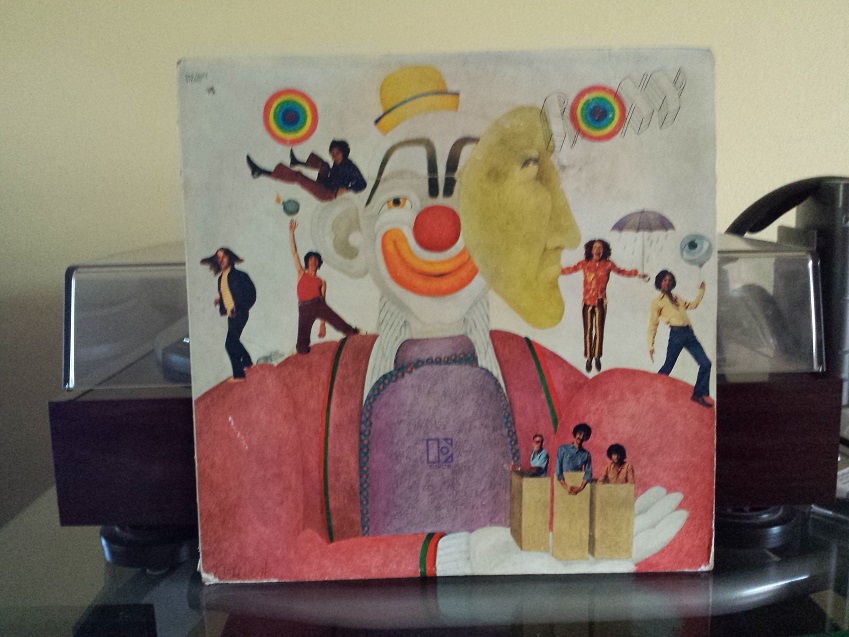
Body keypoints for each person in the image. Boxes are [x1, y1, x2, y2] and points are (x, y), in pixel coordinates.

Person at [561, 239, 648, 373]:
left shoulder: (608, 264)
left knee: (599, 331)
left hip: (601, 302)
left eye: (600, 248)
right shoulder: (584, 263)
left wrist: (637, 274)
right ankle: (588, 358)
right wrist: (555, 270)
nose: (597, 250)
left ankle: (597, 357)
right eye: (595, 247)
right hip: (587, 302)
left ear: (604, 250)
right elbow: (570, 269)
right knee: (588, 331)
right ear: (590, 250)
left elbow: (621, 271)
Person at [289, 219, 359, 354]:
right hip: (304, 308)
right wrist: (291, 233)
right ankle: (301, 350)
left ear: (318, 264)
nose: (313, 262)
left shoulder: (322, 281)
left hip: (318, 304)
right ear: (307, 262)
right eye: (311, 260)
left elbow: (324, 303)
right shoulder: (301, 273)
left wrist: (322, 325)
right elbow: (294, 253)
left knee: (338, 322)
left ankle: (355, 333)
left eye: (315, 260)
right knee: (301, 347)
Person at [648, 270, 713, 408]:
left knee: (706, 363)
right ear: (659, 283)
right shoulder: (657, 302)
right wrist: (651, 345)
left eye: (670, 280)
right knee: (668, 365)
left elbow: (693, 305)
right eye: (664, 280)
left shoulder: (677, 298)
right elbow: (653, 324)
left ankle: (698, 394)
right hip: (676, 335)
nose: (667, 283)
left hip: (689, 334)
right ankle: (651, 391)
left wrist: (702, 291)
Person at [247, 140, 367, 202]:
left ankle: (261, 172)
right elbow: (332, 172)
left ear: (344, 152)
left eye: (337, 153)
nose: (334, 156)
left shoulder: (351, 167)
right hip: (325, 183)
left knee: (299, 177)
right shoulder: (337, 163)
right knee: (325, 165)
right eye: (333, 154)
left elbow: (362, 184)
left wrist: (347, 189)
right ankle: (296, 162)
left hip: (326, 193)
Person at [200, 248, 256, 382]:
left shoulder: (240, 275)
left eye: (224, 256)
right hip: (231, 315)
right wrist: (220, 300)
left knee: (230, 344)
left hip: (240, 313)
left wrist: (239, 308)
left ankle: (239, 375)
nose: (221, 260)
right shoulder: (221, 278)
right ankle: (247, 362)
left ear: (230, 258)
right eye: (218, 257)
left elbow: (251, 294)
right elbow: (230, 293)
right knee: (234, 341)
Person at [555, 423, 593, 495]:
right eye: (580, 434)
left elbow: (588, 472)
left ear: (586, 438)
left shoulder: (586, 454)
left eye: (584, 435)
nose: (581, 437)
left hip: (577, 486)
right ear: (575, 434)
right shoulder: (563, 448)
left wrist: (581, 488)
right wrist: (566, 487)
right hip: (561, 485)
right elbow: (558, 470)